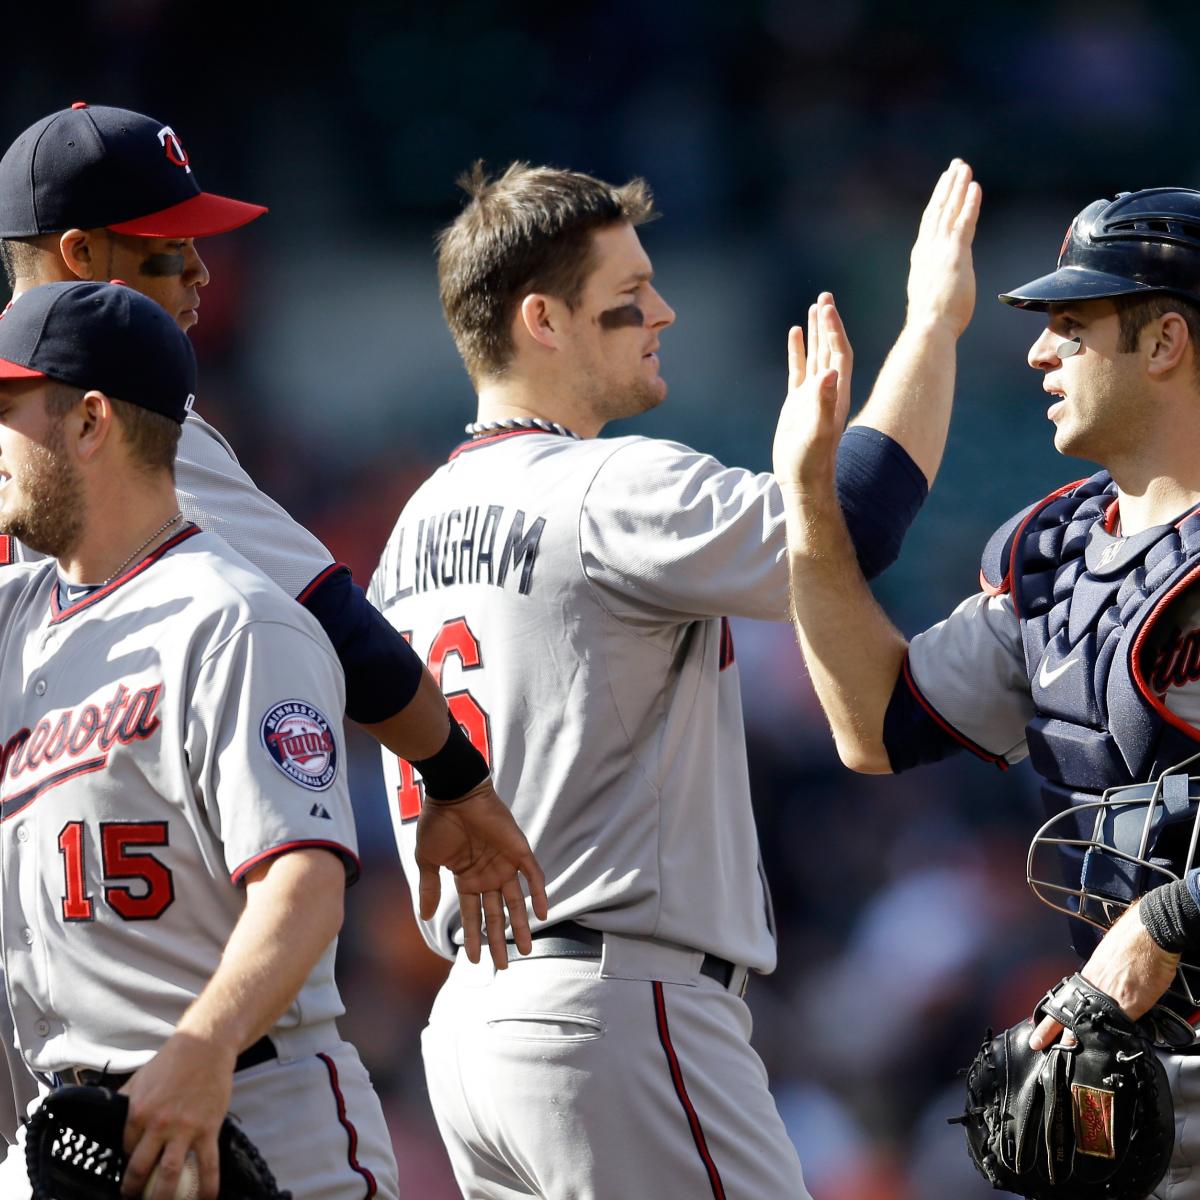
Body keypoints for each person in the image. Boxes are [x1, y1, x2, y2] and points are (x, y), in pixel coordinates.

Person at [366, 158, 980, 1198]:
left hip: (473, 1030)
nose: (663, 310)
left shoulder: (407, 534)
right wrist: (930, 325)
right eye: (626, 298)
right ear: (542, 322)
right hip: (614, 1007)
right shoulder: (608, 484)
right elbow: (853, 526)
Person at [0, 102, 547, 1152]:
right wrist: (458, 779)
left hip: (194, 1052)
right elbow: (335, 618)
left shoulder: (176, 552)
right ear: (80, 258)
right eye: (170, 254)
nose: (205, 274)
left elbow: (301, 872)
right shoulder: (98, 415)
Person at [773, 186, 1200, 1199]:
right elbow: (875, 722)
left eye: (1071, 328)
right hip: (1144, 1068)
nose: (1038, 357)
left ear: (1167, 340)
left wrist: (1171, 917)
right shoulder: (1055, 559)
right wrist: (809, 511)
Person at [0, 279, 400, 1200]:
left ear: (90, 421)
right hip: (77, 1133)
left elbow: (303, 885)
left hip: (252, 1099)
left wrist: (202, 1047)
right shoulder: (20, 618)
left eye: (8, 409)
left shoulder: (234, 620)